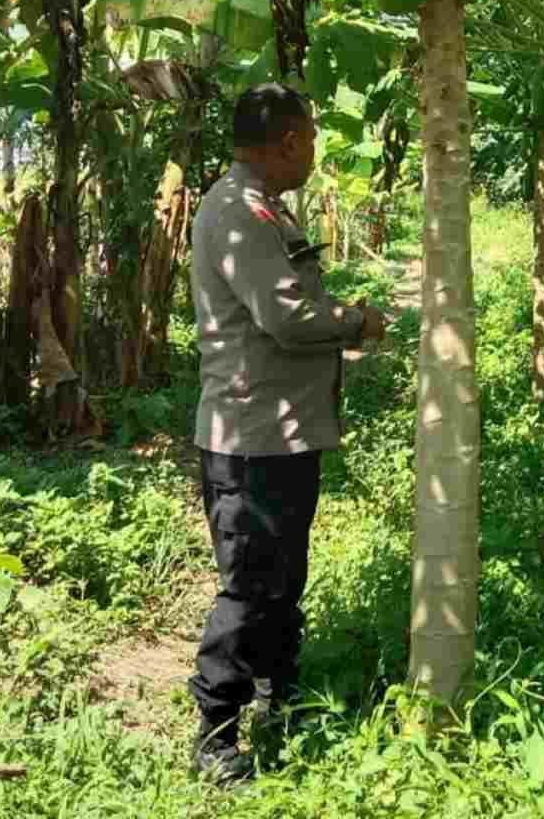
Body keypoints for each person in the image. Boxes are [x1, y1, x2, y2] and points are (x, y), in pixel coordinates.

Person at [186, 84, 389, 783]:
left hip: (284, 431)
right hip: (252, 437)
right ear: (290, 141)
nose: (314, 155)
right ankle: (215, 736)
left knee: (281, 579)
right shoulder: (237, 213)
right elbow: (286, 318)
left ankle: (282, 701)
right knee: (249, 587)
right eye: (312, 141)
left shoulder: (264, 208)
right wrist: (356, 322)